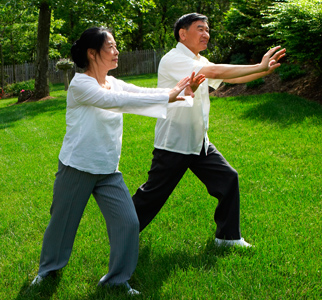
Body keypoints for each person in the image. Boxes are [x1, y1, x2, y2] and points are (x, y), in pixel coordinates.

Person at [31, 26, 204, 295]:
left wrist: (181, 92)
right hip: (77, 166)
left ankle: (117, 279)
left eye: (115, 46)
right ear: (91, 53)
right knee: (63, 224)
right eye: (110, 46)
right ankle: (48, 271)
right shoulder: (80, 85)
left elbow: (138, 93)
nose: (116, 51)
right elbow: (117, 101)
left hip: (108, 169)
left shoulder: (113, 82)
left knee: (129, 222)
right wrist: (169, 95)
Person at [132, 13, 286, 247]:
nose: (207, 34)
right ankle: (123, 227)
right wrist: (258, 65)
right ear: (183, 34)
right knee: (153, 195)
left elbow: (227, 77)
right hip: (175, 141)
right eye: (200, 29)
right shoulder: (174, 59)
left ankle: (227, 238)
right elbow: (215, 73)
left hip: (198, 141)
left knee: (228, 179)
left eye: (207, 29)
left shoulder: (199, 60)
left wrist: (263, 71)